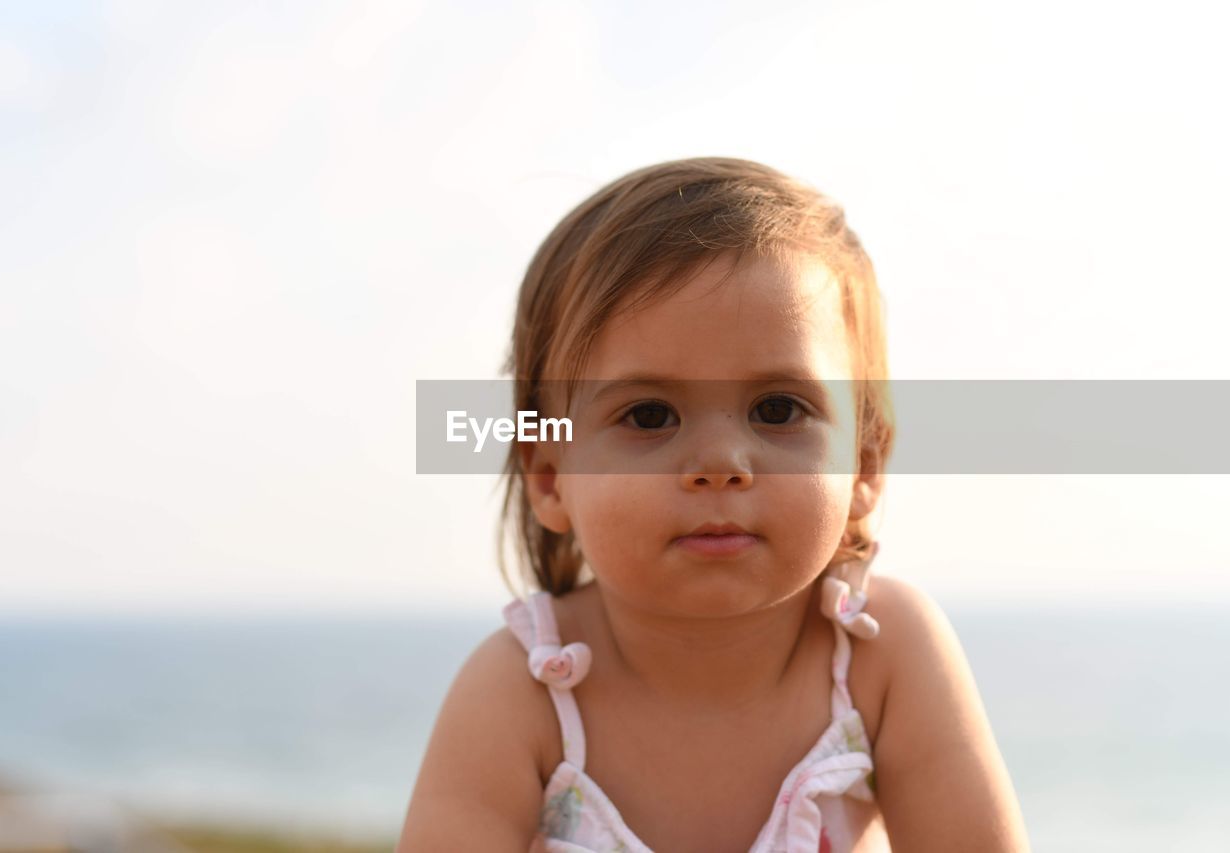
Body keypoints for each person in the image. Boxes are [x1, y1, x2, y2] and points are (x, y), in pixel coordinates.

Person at [397, 158, 1029, 852]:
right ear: (551, 476)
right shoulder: (522, 695)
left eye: (778, 408)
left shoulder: (883, 654)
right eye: (648, 415)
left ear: (864, 468)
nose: (720, 464)